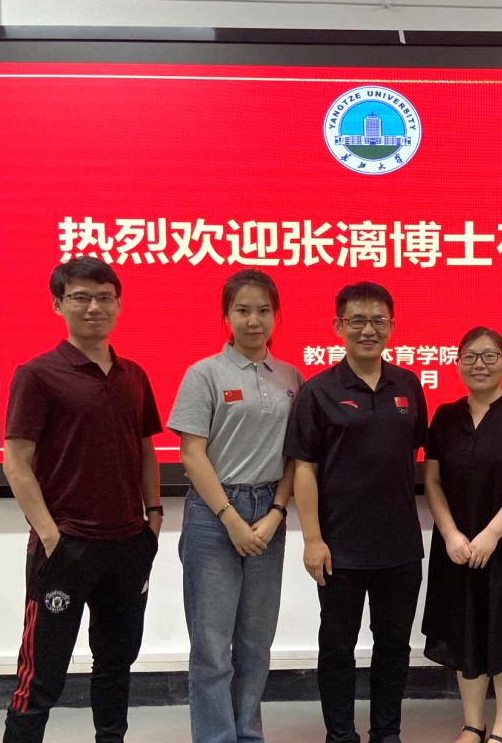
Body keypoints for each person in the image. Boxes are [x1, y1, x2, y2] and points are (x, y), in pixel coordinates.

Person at [2, 257, 162, 743]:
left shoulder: (134, 375)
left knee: (115, 664)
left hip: (128, 546)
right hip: (66, 548)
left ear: (118, 304)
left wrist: (153, 518)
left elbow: (145, 450)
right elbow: (16, 462)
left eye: (104, 297)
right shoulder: (38, 374)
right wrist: (51, 535)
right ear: (58, 304)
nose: (94, 307)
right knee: (41, 674)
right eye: (81, 297)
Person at [284, 281, 427, 743]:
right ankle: (340, 735)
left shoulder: (408, 385)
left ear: (391, 326)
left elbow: (415, 454)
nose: (369, 330)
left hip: (400, 546)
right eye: (358, 321)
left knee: (394, 646)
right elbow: (304, 469)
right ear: (338, 326)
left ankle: (387, 732)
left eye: (378, 321)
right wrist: (312, 539)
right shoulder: (318, 391)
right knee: (337, 648)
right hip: (339, 547)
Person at [168, 270, 303, 743]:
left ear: (276, 315)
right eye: (242, 310)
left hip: (269, 510)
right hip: (214, 514)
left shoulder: (291, 377)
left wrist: (276, 512)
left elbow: (295, 455)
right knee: (211, 646)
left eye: (263, 310)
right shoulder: (204, 373)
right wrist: (230, 517)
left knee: (255, 642)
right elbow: (192, 454)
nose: (253, 320)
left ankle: (248, 733)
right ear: (226, 316)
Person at [423, 327, 502, 743]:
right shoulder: (445, 416)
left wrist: (492, 534)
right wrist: (450, 534)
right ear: (458, 363)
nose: (480, 364)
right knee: (465, 635)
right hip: (457, 547)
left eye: (490, 356)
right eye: (470, 356)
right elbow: (433, 480)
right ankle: (472, 725)